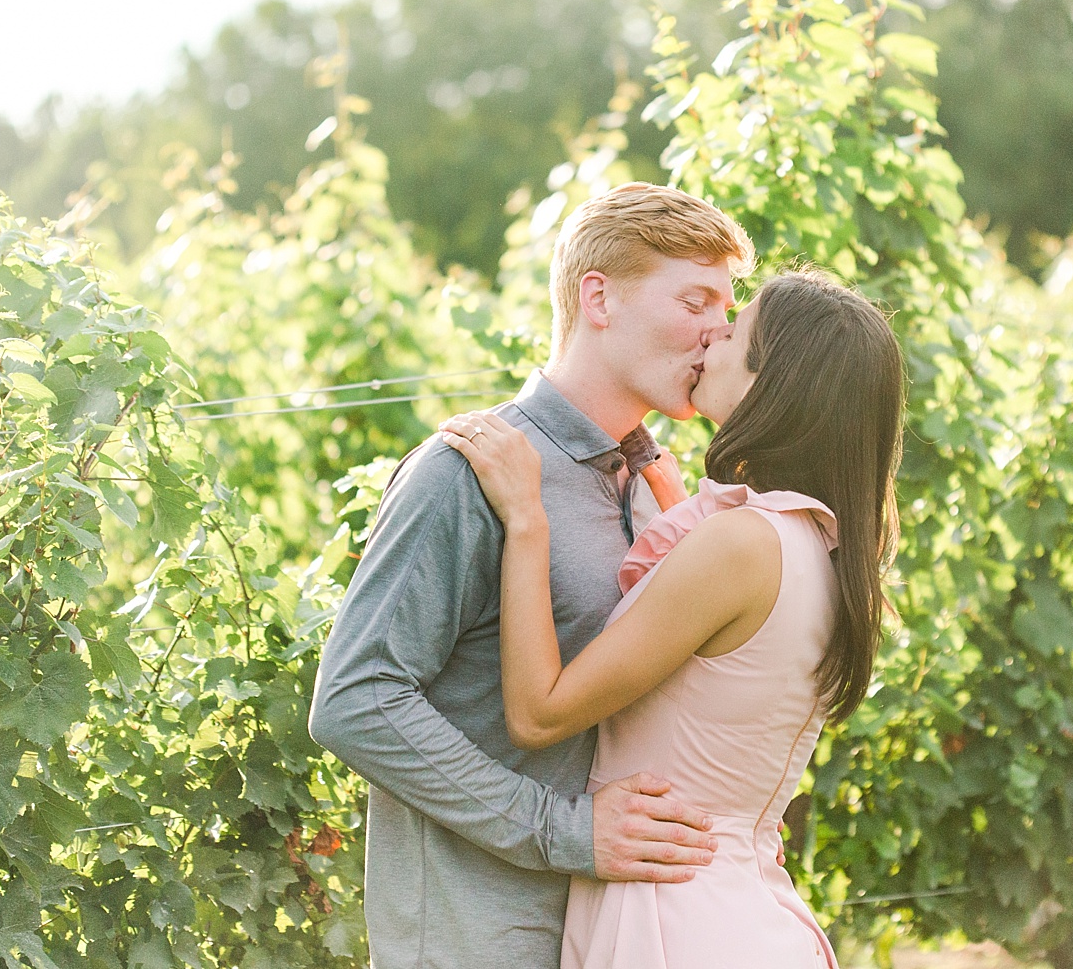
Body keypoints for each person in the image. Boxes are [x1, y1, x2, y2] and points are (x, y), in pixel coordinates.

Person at [308, 182, 756, 969]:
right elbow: (356, 698)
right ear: (599, 298)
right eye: (696, 300)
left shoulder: (653, 491)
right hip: (471, 939)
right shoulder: (468, 471)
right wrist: (564, 830)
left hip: (613, 934)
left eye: (728, 308)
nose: (717, 332)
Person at [440, 270, 905, 969]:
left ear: (772, 383)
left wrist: (527, 517)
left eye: (734, 329)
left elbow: (539, 712)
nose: (711, 334)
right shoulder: (822, 547)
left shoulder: (741, 546)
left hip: (672, 915)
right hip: (735, 907)